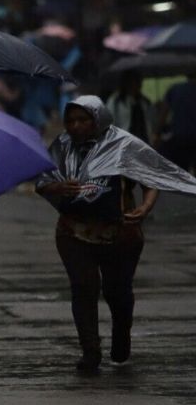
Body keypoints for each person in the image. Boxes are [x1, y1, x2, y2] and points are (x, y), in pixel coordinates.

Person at [35, 96, 196, 371]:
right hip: (74, 231)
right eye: (71, 120)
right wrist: (59, 188)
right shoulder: (62, 146)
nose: (76, 126)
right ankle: (90, 351)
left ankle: (121, 336)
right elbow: (43, 182)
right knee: (83, 287)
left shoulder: (124, 144)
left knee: (117, 291)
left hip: (120, 234)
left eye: (83, 120)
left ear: (98, 119)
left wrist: (144, 208)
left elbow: (151, 177)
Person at [156, 73, 196, 171]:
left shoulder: (175, 89)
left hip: (179, 137)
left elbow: (163, 114)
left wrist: (157, 133)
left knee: (182, 170)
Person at [106, 69, 156, 143]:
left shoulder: (145, 102)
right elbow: (109, 122)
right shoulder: (115, 101)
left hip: (144, 141)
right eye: (133, 82)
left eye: (138, 81)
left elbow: (152, 121)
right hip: (124, 142)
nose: (136, 85)